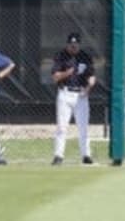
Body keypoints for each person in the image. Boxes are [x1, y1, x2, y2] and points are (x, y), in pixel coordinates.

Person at [51, 33, 95, 165]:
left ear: (79, 45)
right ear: (67, 44)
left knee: (83, 127)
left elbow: (91, 76)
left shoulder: (85, 57)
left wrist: (88, 88)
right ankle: (58, 155)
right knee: (62, 126)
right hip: (65, 93)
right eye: (71, 45)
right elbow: (55, 76)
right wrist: (67, 73)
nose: (73, 47)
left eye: (75, 45)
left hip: (80, 95)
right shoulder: (61, 56)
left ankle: (86, 155)